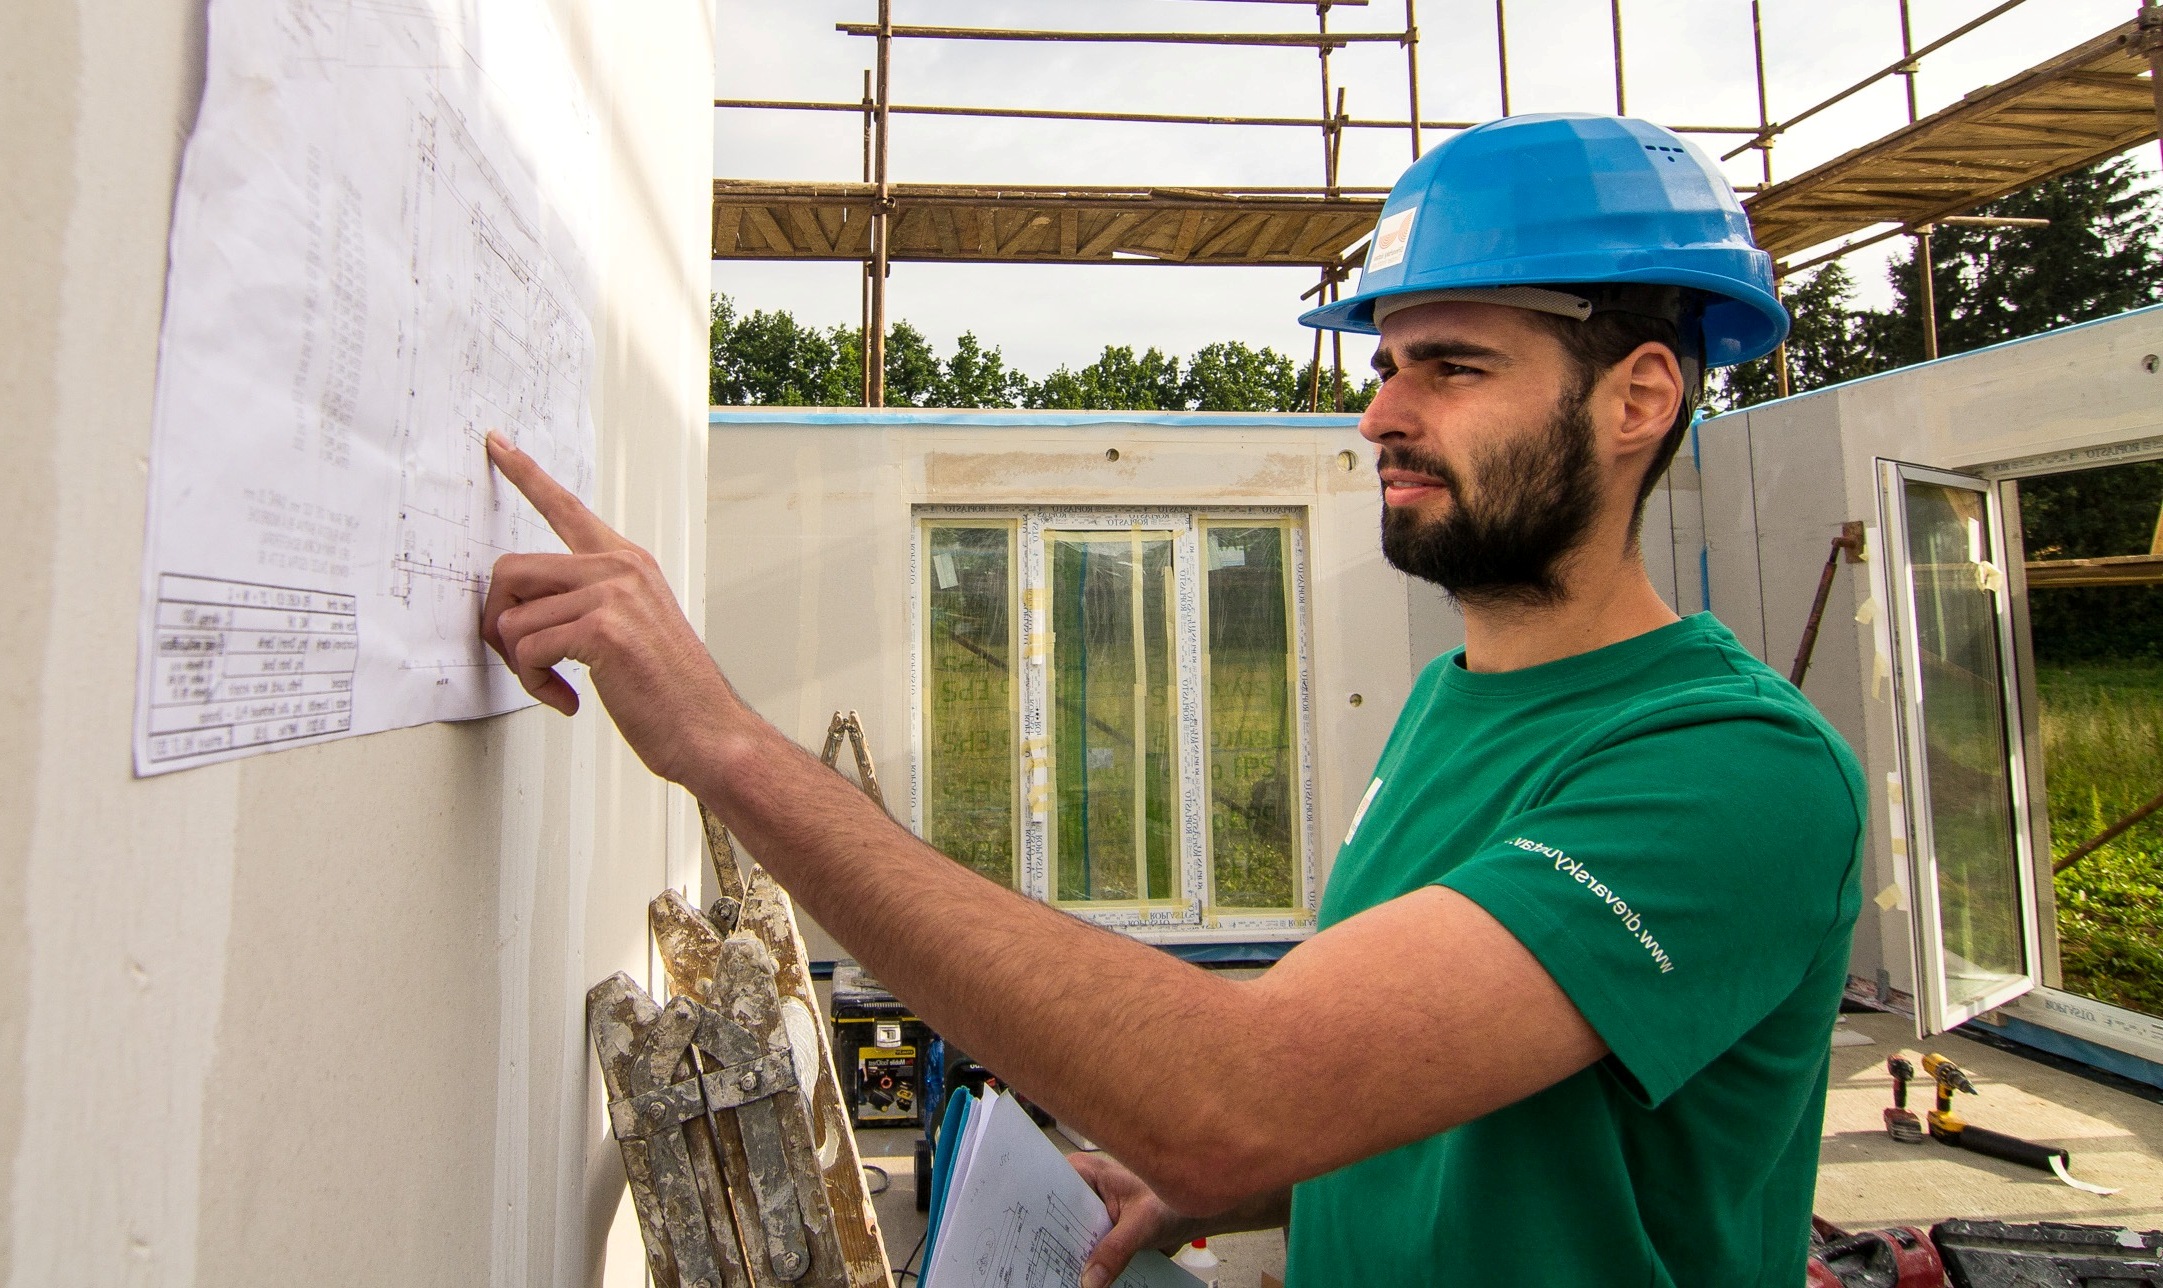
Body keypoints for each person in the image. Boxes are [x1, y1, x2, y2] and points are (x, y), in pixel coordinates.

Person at [481, 114, 1864, 1286]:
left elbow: (1241, 1091)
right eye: (1384, 366)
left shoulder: (1735, 772)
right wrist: (1224, 1199)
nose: (1381, 416)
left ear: (1637, 400)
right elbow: (1432, 1091)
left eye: (1451, 365)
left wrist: (727, 747)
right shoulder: (1454, 706)